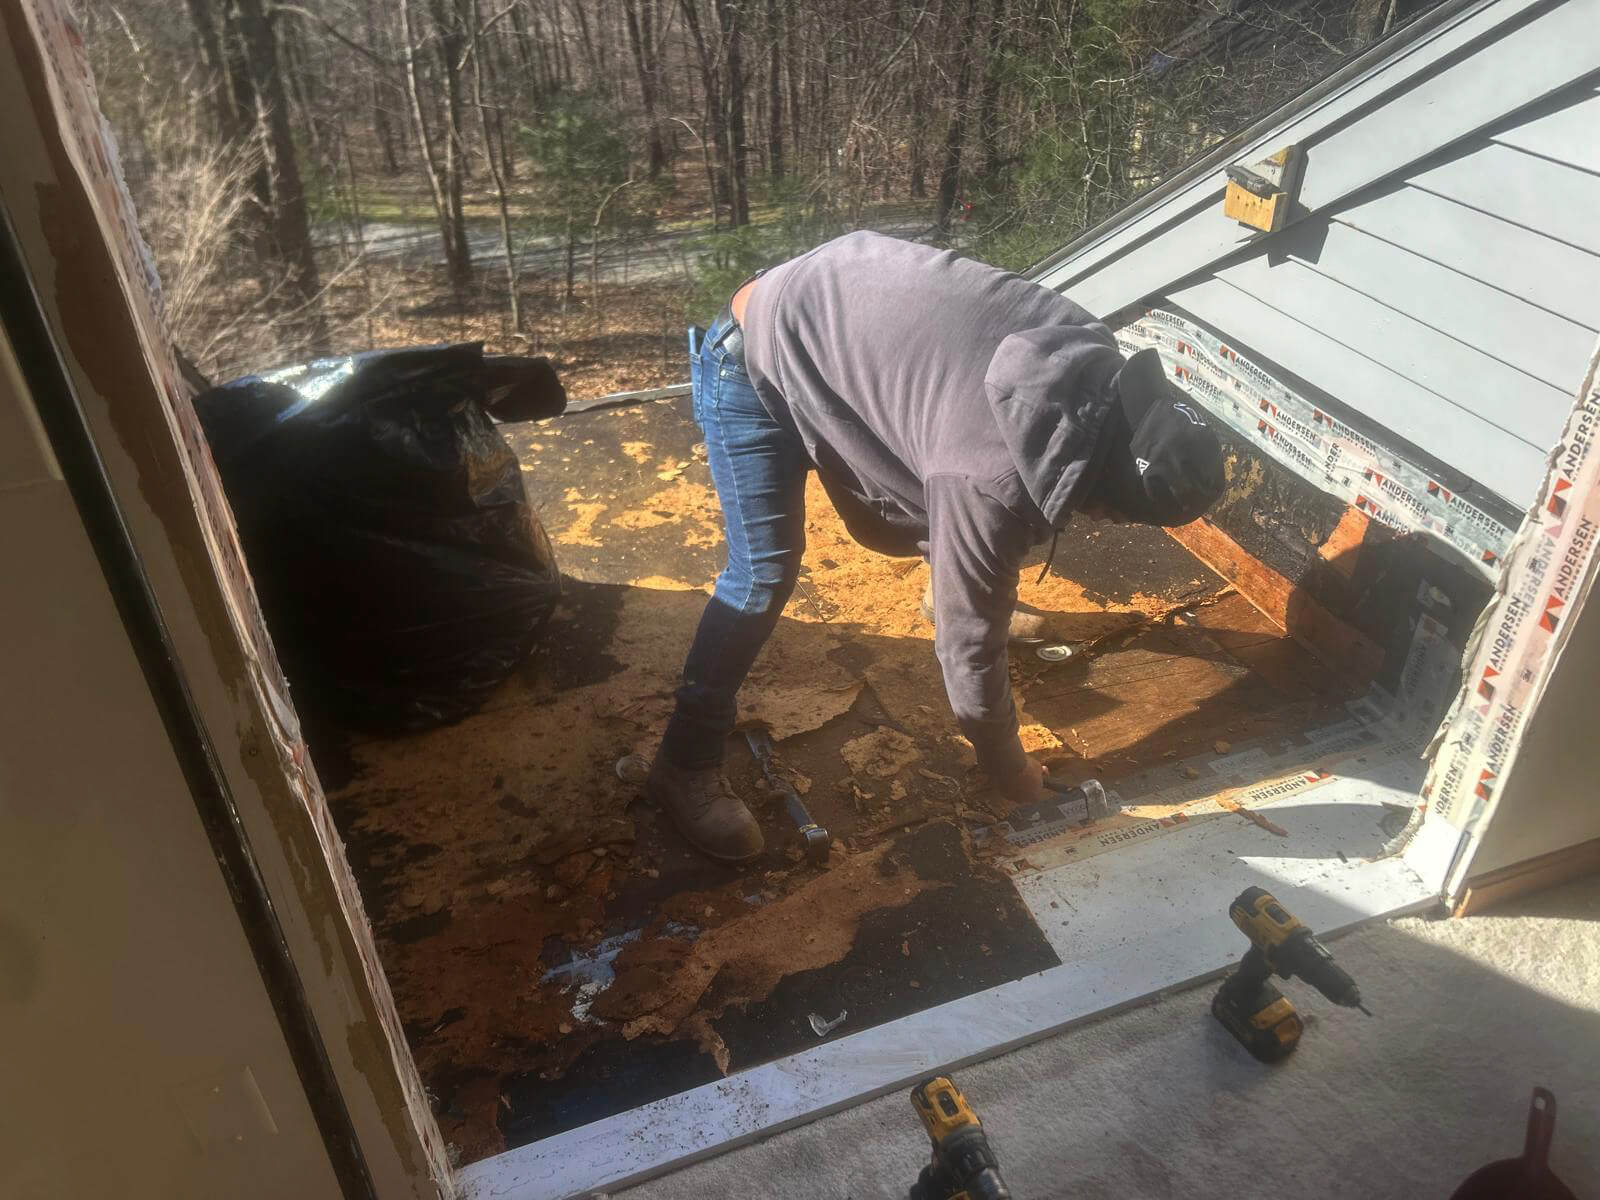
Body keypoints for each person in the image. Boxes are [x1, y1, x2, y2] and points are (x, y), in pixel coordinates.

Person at [648, 232, 1225, 863]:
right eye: (1111, 515)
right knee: (762, 572)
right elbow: (970, 654)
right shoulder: (989, 475)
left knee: (944, 515)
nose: (1101, 524)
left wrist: (967, 572)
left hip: (832, 314)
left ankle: (946, 584)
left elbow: (953, 452)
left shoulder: (1084, 359)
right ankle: (683, 761)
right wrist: (1014, 774)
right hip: (751, 357)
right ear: (1108, 493)